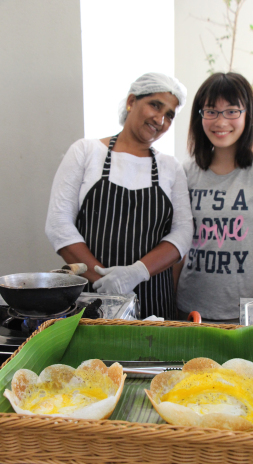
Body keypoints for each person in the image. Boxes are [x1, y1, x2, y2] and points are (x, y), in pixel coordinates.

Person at [45, 72, 193, 320]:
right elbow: (59, 224)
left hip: (154, 302)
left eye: (169, 115)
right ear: (131, 101)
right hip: (92, 299)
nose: (160, 119)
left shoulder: (171, 167)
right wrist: (105, 280)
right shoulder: (86, 152)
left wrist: (137, 272)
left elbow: (183, 232)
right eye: (155, 105)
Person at [175, 72, 253, 323]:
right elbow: (180, 245)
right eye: (211, 111)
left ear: (248, 114)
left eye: (231, 111)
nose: (220, 121)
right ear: (200, 116)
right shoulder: (186, 172)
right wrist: (171, 300)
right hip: (188, 310)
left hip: (242, 315)